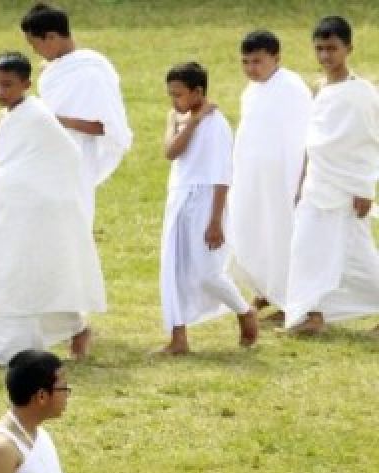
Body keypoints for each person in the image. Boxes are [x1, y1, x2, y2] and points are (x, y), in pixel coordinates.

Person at [0, 53, 104, 367]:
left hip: (33, 215)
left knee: (27, 277)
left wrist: (35, 196)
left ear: (26, 84)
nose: (0, 91)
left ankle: (68, 331)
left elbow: (66, 158)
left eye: (8, 85)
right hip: (5, 211)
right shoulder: (1, 119)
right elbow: (0, 168)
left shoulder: (39, 117)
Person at [285, 15, 379, 335]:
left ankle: (313, 313)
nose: (325, 56)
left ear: (348, 48)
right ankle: (313, 315)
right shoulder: (320, 89)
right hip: (317, 184)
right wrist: (301, 182)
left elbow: (368, 141)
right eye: (320, 49)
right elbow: (313, 140)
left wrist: (365, 188)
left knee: (358, 256)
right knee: (306, 249)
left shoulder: (362, 93)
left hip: (348, 188)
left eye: (332, 48)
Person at [157, 62, 258, 355]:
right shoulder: (178, 117)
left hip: (205, 200)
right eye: (171, 95)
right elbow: (171, 152)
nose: (174, 100)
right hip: (178, 197)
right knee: (172, 269)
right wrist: (190, 120)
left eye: (179, 94)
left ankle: (244, 311)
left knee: (206, 272)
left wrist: (215, 221)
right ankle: (178, 338)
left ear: (198, 91)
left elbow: (221, 176)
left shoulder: (217, 125)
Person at [20, 3, 133, 228]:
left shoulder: (91, 72)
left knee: (72, 224)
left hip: (77, 158)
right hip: (47, 155)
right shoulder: (54, 69)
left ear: (51, 37)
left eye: (35, 44)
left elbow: (106, 127)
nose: (35, 52)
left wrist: (57, 120)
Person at [228, 31, 313, 320]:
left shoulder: (291, 88)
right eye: (246, 62)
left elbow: (302, 137)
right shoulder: (251, 91)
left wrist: (301, 181)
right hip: (253, 178)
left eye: (258, 61)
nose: (251, 68)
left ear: (276, 58)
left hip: (283, 180)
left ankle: (291, 300)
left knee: (282, 235)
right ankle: (266, 289)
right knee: (253, 231)